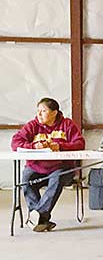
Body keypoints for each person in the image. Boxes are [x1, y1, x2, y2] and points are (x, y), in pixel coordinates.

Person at [11, 98, 85, 232]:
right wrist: (34, 146)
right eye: (38, 111)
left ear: (54, 112)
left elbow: (80, 143)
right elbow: (15, 142)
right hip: (36, 167)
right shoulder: (32, 125)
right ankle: (41, 220)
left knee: (57, 178)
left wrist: (60, 146)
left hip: (61, 167)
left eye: (43, 111)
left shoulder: (67, 124)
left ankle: (37, 216)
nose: (39, 114)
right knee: (26, 180)